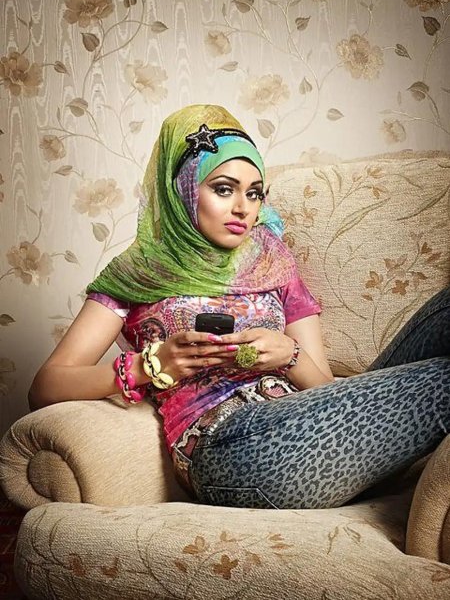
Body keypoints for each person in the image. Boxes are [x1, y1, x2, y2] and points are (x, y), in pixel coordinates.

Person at [28, 104, 450, 510]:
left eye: (254, 193)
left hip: (317, 431)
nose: (243, 208)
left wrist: (290, 355)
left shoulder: (274, 262)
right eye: (223, 189)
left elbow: (324, 389)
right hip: (227, 448)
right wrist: (153, 365)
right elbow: (45, 388)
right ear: (184, 188)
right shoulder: (139, 272)